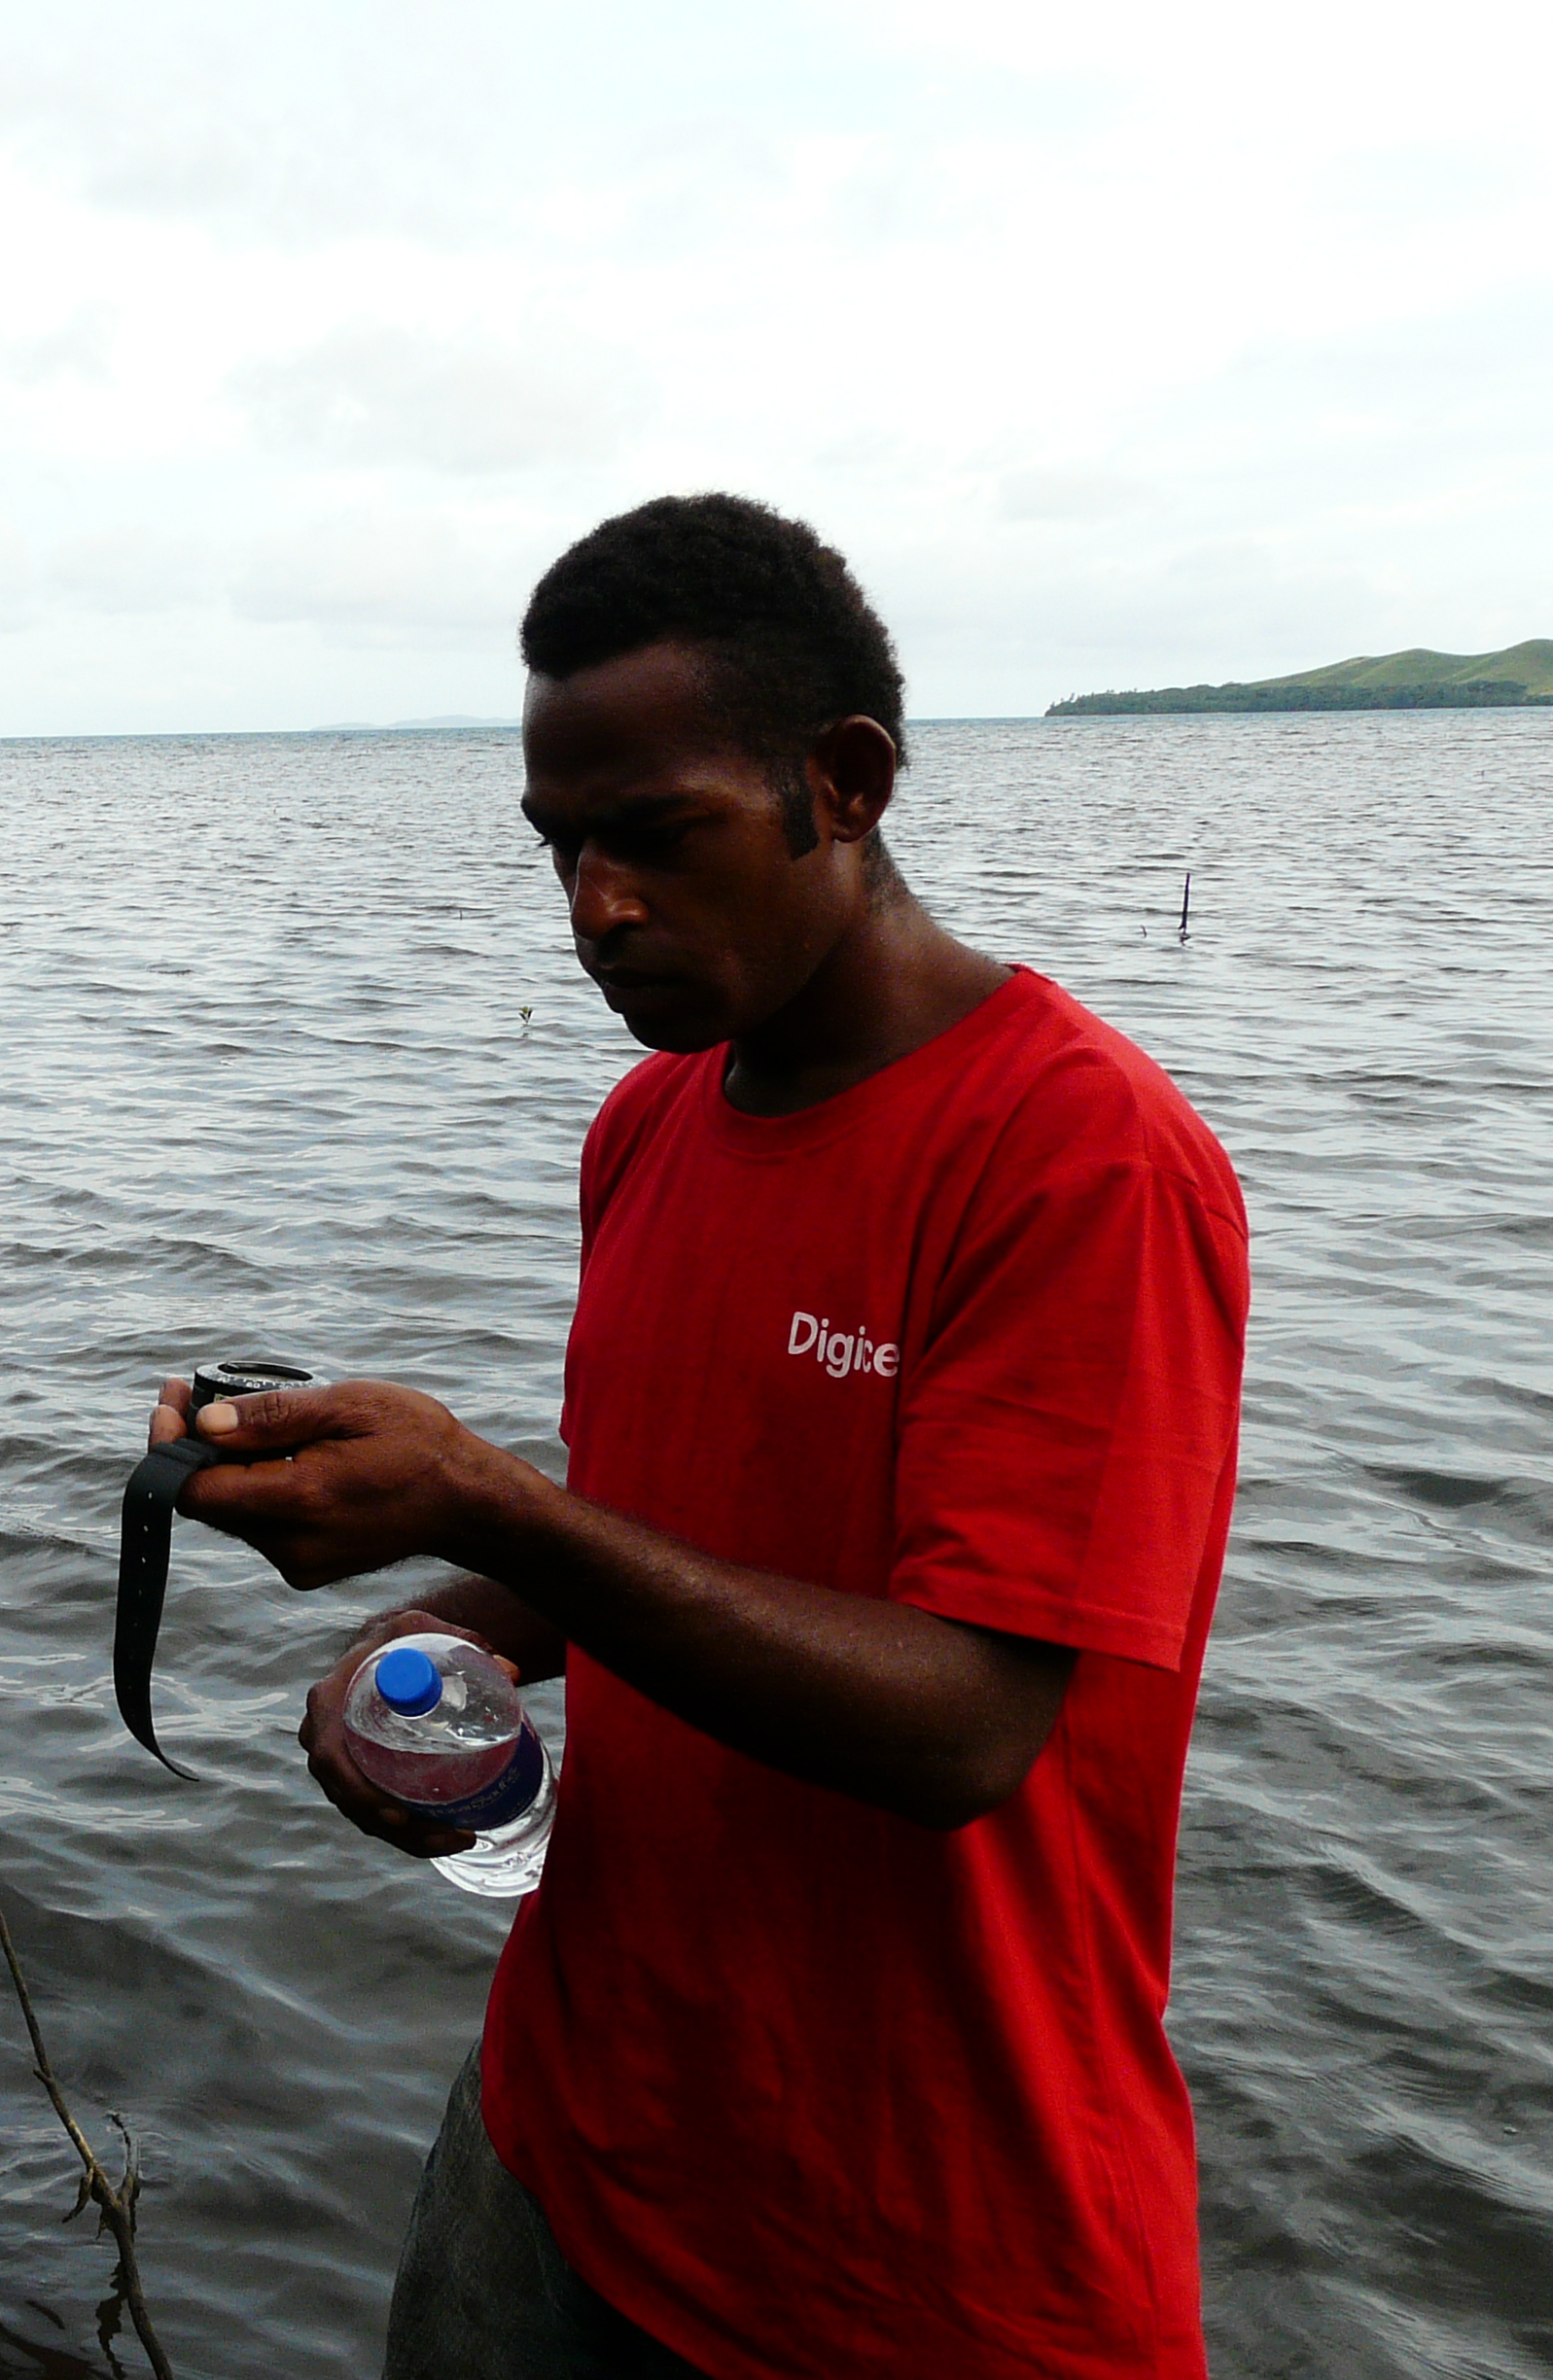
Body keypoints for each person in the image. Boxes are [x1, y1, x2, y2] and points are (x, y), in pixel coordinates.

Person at [155, 496, 1248, 2378]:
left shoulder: (1078, 1160)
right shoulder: (648, 1130)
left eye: (656, 836)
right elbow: (644, 1525)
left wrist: (478, 1495)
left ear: (847, 782)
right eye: (559, 846)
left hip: (919, 2268)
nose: (594, 906)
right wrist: (450, 1632)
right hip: (562, 2144)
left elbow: (968, 1721)